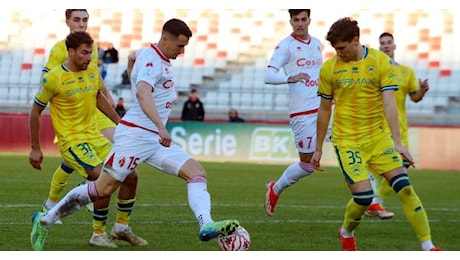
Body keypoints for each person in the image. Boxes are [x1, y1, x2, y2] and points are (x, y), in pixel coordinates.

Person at [30, 18, 239, 251]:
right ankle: (46, 219)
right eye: (179, 46)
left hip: (151, 139)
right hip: (136, 137)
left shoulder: (150, 55)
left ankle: (206, 224)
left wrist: (132, 68)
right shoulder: (152, 61)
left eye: (185, 47)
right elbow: (142, 93)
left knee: (197, 173)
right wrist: (160, 126)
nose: (182, 52)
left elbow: (132, 59)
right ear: (166, 39)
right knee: (102, 189)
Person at [311, 17, 441, 251]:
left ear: (355, 41)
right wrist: (318, 148)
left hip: (379, 139)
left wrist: (398, 143)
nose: (337, 53)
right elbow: (323, 109)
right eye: (334, 48)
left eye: (341, 47)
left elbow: (390, 104)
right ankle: (346, 231)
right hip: (348, 141)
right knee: (363, 198)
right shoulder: (329, 68)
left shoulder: (381, 62)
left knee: (405, 188)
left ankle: (429, 246)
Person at [36, 9, 145, 248]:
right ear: (67, 22)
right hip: (74, 120)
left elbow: (95, 83)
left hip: (94, 116)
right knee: (101, 176)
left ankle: (116, 224)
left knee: (125, 170)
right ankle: (56, 206)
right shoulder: (59, 50)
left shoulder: (90, 48)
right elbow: (47, 83)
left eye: (85, 19)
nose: (82, 24)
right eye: (77, 19)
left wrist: (115, 110)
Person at [263, 9, 324, 216]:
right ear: (290, 21)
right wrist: (289, 78)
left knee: (350, 142)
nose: (299, 23)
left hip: (325, 106)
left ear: (309, 20)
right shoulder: (285, 46)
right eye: (295, 20)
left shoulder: (317, 43)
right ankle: (275, 188)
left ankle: (369, 199)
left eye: (303, 19)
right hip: (302, 112)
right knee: (307, 166)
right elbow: (268, 75)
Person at [365, 32, 430, 219]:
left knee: (402, 165)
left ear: (394, 46)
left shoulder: (406, 72)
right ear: (379, 48)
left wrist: (422, 91)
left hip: (399, 128)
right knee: (376, 166)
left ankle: (376, 199)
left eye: (388, 43)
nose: (386, 46)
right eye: (382, 43)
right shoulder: (374, 70)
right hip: (377, 126)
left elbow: (414, 97)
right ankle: (372, 201)